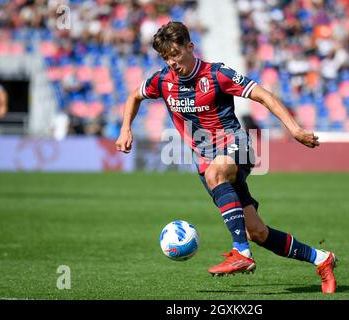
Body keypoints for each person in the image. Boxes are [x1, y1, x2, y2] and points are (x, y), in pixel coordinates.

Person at [116, 22, 337, 293]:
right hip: (208, 160)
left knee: (214, 174)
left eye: (175, 54)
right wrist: (125, 128)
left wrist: (295, 129)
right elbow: (133, 97)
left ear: (190, 47)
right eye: (165, 57)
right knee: (257, 232)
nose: (172, 62)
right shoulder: (162, 81)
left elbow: (263, 95)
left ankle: (241, 253)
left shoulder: (216, 74)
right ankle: (322, 259)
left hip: (237, 146)